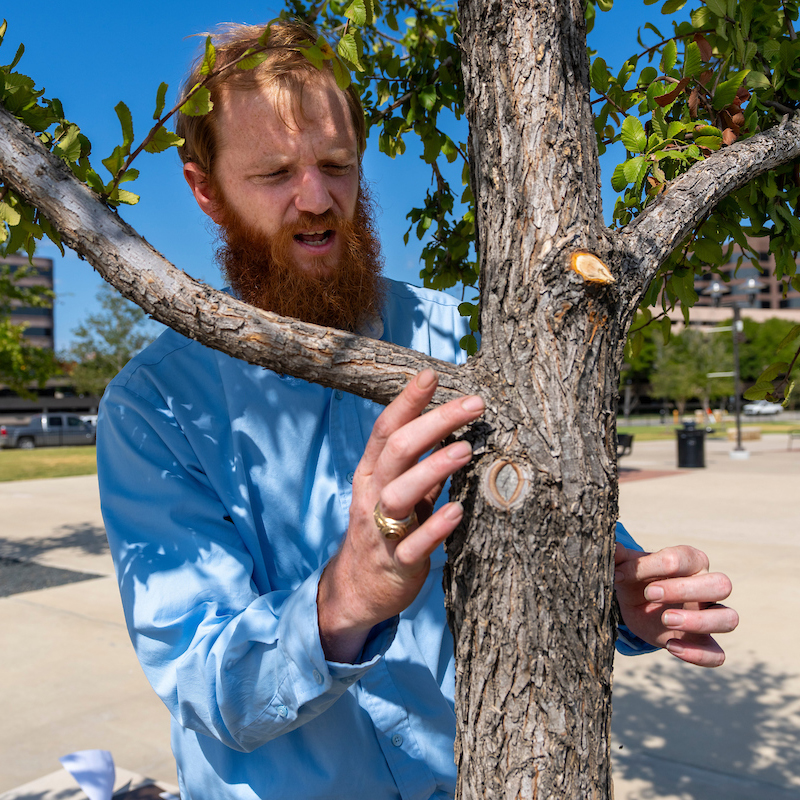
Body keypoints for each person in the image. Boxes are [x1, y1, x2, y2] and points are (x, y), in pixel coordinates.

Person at [97, 20, 738, 800]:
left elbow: (558, 530)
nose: (317, 199)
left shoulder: (460, 335)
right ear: (205, 190)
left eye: (336, 164)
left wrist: (626, 597)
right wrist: (346, 599)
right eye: (273, 173)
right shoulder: (154, 405)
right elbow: (200, 680)